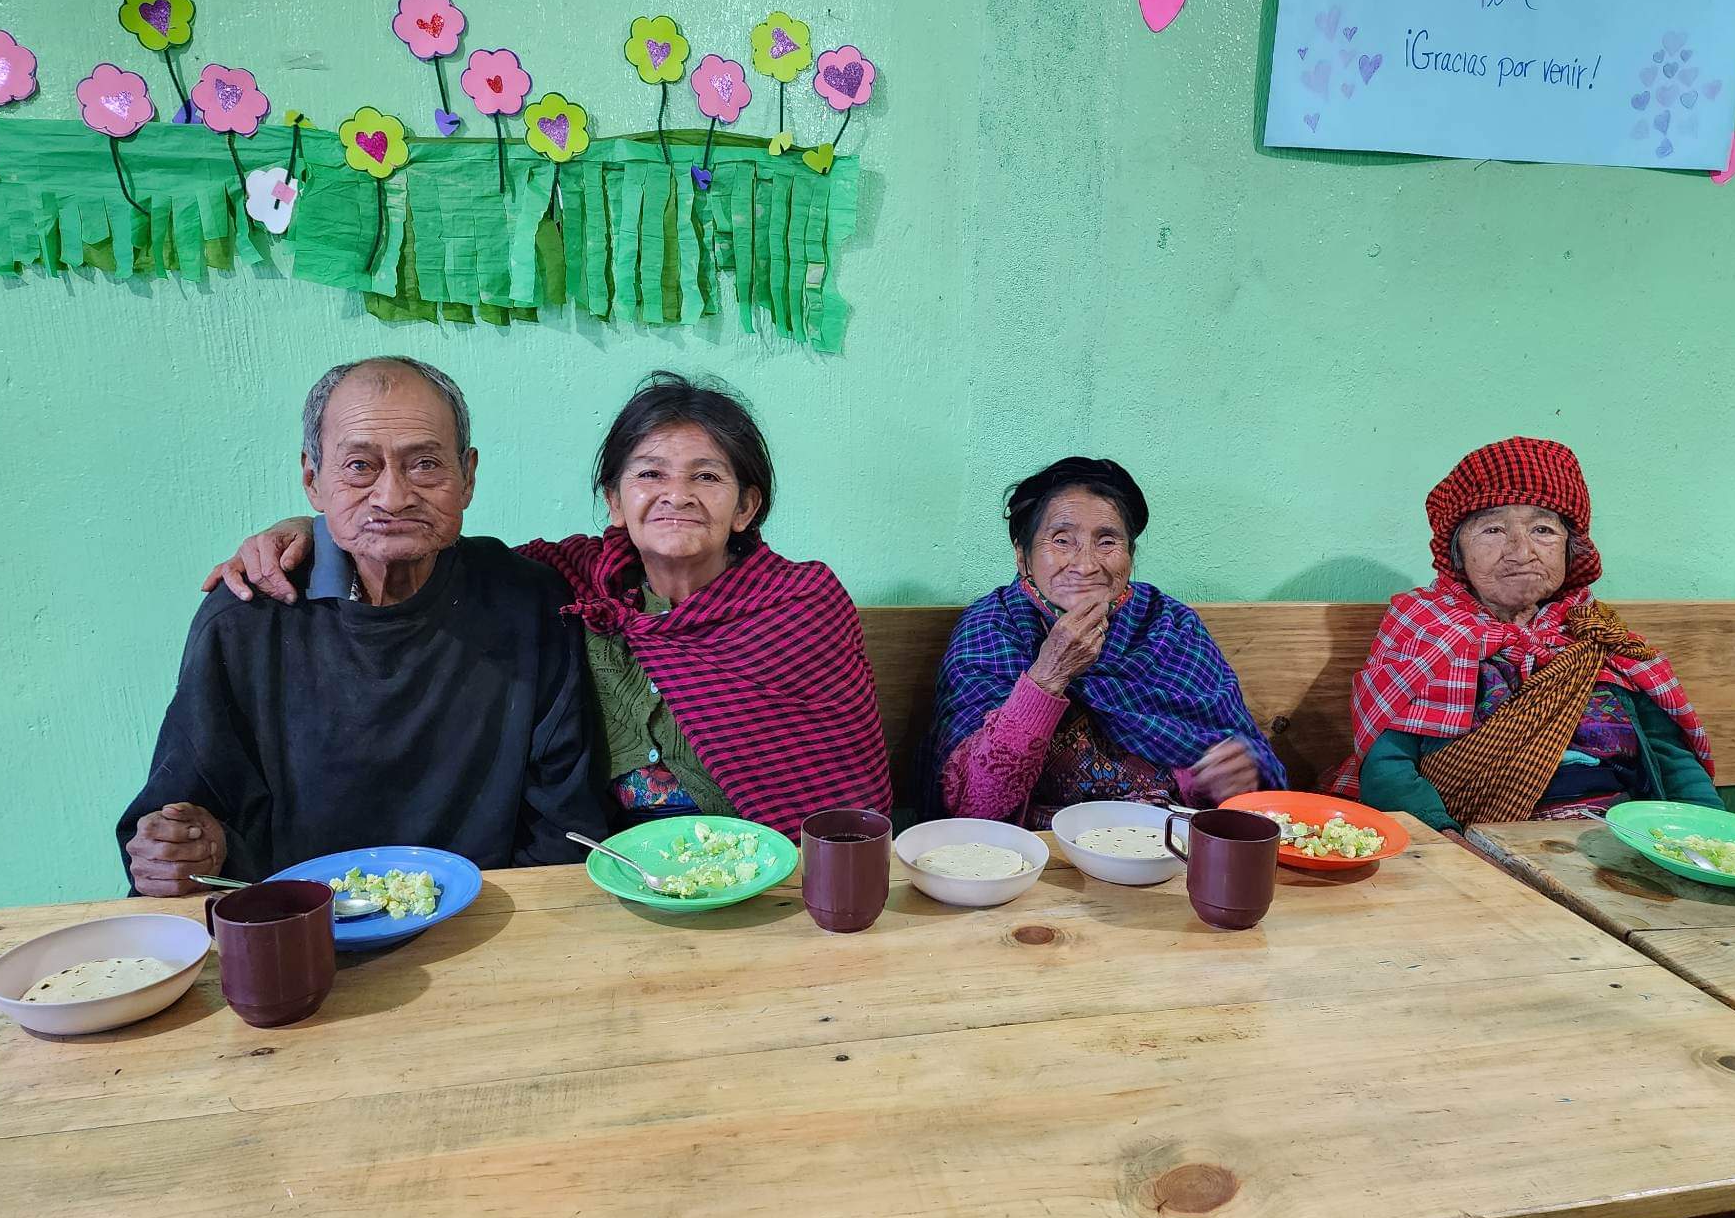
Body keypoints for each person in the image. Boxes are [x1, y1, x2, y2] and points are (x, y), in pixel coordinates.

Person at [203, 371, 891, 835]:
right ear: (614, 502)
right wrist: (313, 530)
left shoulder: (802, 601)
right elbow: (440, 552)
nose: (676, 495)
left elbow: (838, 792)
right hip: (621, 877)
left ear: (746, 506)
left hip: (774, 873)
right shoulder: (582, 580)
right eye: (649, 474)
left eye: (707, 477)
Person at [120, 357, 602, 895]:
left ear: (467, 476)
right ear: (313, 480)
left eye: (424, 464)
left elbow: (566, 828)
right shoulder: (247, 617)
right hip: (301, 934)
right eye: (359, 466)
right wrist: (182, 850)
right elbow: (181, 825)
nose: (393, 497)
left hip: (487, 925)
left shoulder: (530, 601)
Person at [1329, 436, 1721, 840]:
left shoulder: (1598, 636)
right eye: (1494, 529)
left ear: (1571, 549)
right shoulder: (1425, 628)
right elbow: (1387, 764)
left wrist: (1713, 835)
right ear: (1457, 553)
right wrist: (1448, 841)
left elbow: (1671, 760)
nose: (1521, 551)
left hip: (1619, 838)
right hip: (1472, 842)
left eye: (1543, 529)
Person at [923, 457, 1286, 829]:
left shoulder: (1169, 625)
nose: (1086, 565)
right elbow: (971, 805)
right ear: (1023, 555)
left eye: (1107, 541)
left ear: (1129, 555)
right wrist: (1047, 675)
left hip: (1168, 842)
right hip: (1039, 852)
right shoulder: (993, 626)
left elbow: (1245, 758)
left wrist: (1223, 777)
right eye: (1062, 540)